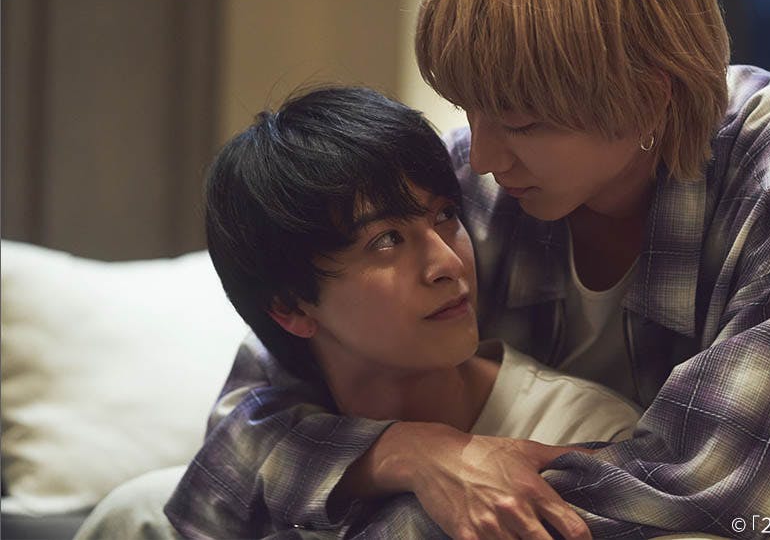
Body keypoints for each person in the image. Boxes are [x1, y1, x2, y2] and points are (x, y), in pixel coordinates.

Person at [165, 0, 770, 540]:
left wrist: (412, 504)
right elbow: (241, 435)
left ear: (648, 97)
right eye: (470, 109)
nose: (483, 157)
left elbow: (715, 490)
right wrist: (413, 453)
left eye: (522, 123)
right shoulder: (472, 182)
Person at [74, 85, 642, 540]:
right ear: (291, 309)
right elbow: (236, 434)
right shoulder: (175, 503)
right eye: (386, 240)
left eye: (445, 216)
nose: (448, 263)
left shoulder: (581, 434)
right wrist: (410, 453)